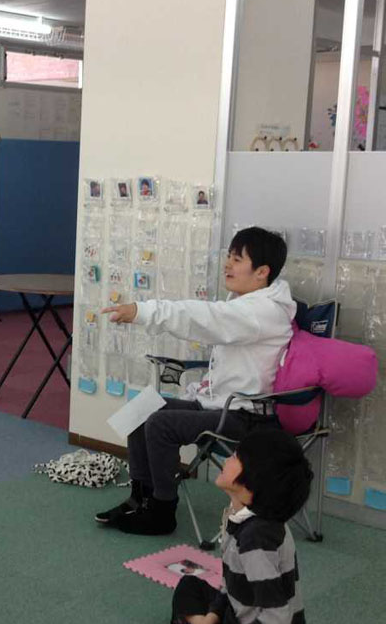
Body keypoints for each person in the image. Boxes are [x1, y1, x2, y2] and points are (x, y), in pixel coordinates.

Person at [97, 227, 294, 535]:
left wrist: (141, 311)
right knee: (142, 409)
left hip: (248, 417)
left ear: (262, 272)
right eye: (228, 257)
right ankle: (141, 498)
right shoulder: (246, 304)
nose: (227, 265)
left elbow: (199, 316)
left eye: (237, 259)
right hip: (219, 405)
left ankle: (162, 510)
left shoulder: (261, 312)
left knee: (160, 424)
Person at [133, 429, 312, 624]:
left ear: (252, 484)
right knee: (189, 584)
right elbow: (230, 587)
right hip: (239, 615)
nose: (228, 459)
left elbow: (276, 622)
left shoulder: (257, 540)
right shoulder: (242, 516)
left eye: (236, 457)